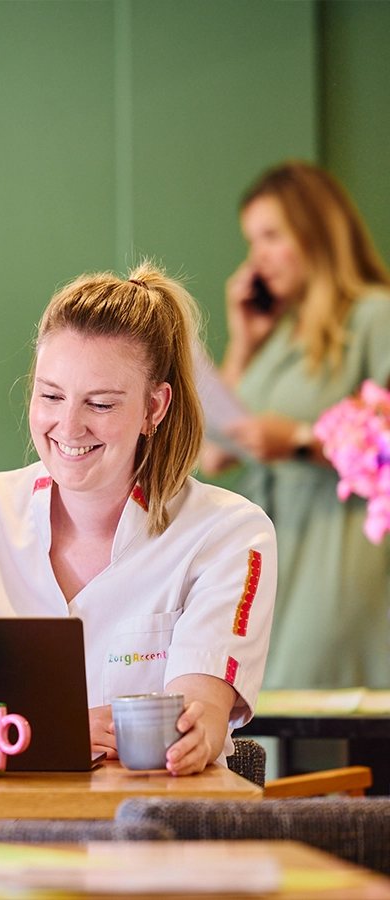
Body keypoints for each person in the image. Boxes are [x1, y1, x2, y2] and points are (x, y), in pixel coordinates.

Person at [0, 264, 277, 775]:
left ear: (155, 407)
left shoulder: (228, 533)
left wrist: (197, 726)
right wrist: (57, 726)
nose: (68, 426)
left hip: (150, 829)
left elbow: (195, 716)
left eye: (101, 403)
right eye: (50, 395)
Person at [200, 160, 390, 690]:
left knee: (315, 707)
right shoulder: (278, 334)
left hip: (337, 549)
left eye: (271, 236)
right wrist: (245, 340)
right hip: (269, 553)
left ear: (316, 233)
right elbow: (213, 456)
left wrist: (302, 441)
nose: (256, 257)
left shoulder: (374, 317)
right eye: (250, 240)